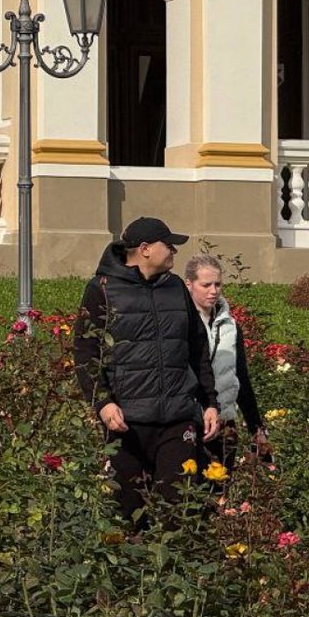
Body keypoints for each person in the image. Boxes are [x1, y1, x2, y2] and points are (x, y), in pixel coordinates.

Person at [73, 217, 221, 522]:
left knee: (178, 508)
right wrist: (103, 402)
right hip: (128, 422)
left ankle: (176, 568)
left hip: (178, 418)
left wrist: (209, 402)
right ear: (144, 249)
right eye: (168, 246)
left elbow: (197, 349)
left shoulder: (176, 287)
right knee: (128, 511)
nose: (174, 252)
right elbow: (86, 353)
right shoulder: (102, 289)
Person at [182, 254, 269, 470]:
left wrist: (256, 426)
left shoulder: (230, 326)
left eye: (218, 284)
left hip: (223, 420)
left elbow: (239, 375)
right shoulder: (179, 321)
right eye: (206, 285)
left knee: (221, 489)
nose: (213, 291)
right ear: (189, 284)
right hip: (189, 419)